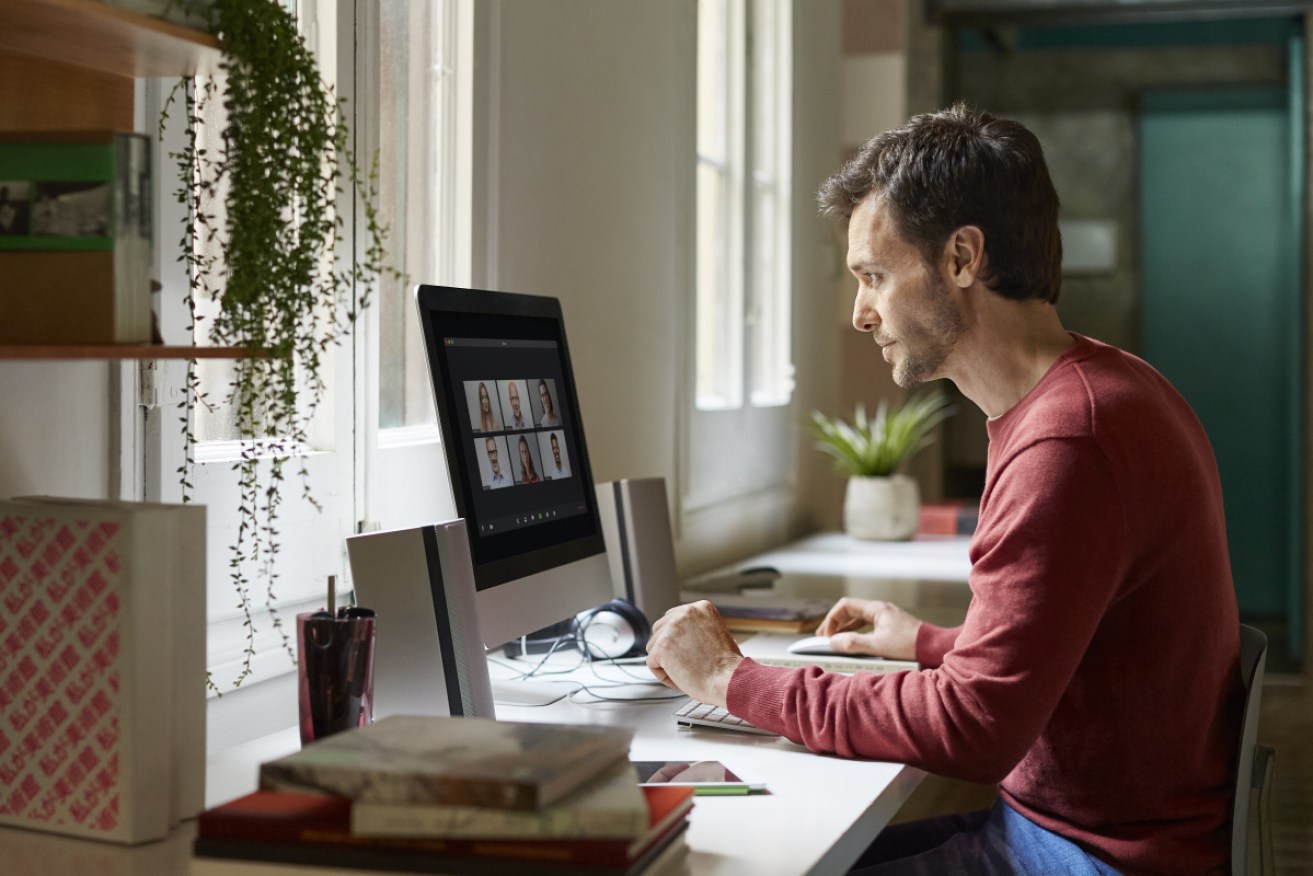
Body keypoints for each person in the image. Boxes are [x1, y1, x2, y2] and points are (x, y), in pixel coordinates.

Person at [645, 104, 1242, 876]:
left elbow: (975, 727)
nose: (860, 314)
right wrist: (929, 644)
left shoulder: (1071, 439)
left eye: (874, 276)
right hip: (1079, 832)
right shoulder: (1098, 391)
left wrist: (732, 681)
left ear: (961, 258)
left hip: (1092, 857)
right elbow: (1076, 648)